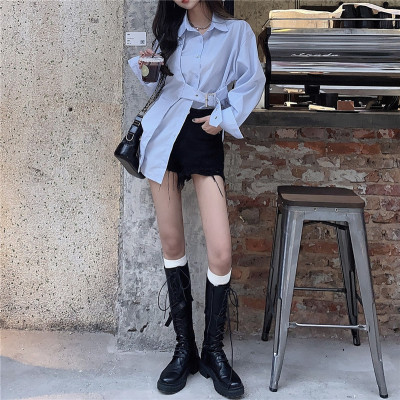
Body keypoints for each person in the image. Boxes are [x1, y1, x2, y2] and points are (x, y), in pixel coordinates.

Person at [128, 0, 265, 398]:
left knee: (221, 253)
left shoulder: (236, 32)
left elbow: (252, 82)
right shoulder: (170, 31)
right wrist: (148, 67)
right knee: (172, 244)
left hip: (203, 135)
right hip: (164, 136)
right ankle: (184, 348)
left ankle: (212, 350)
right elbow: (157, 85)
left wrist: (222, 119)